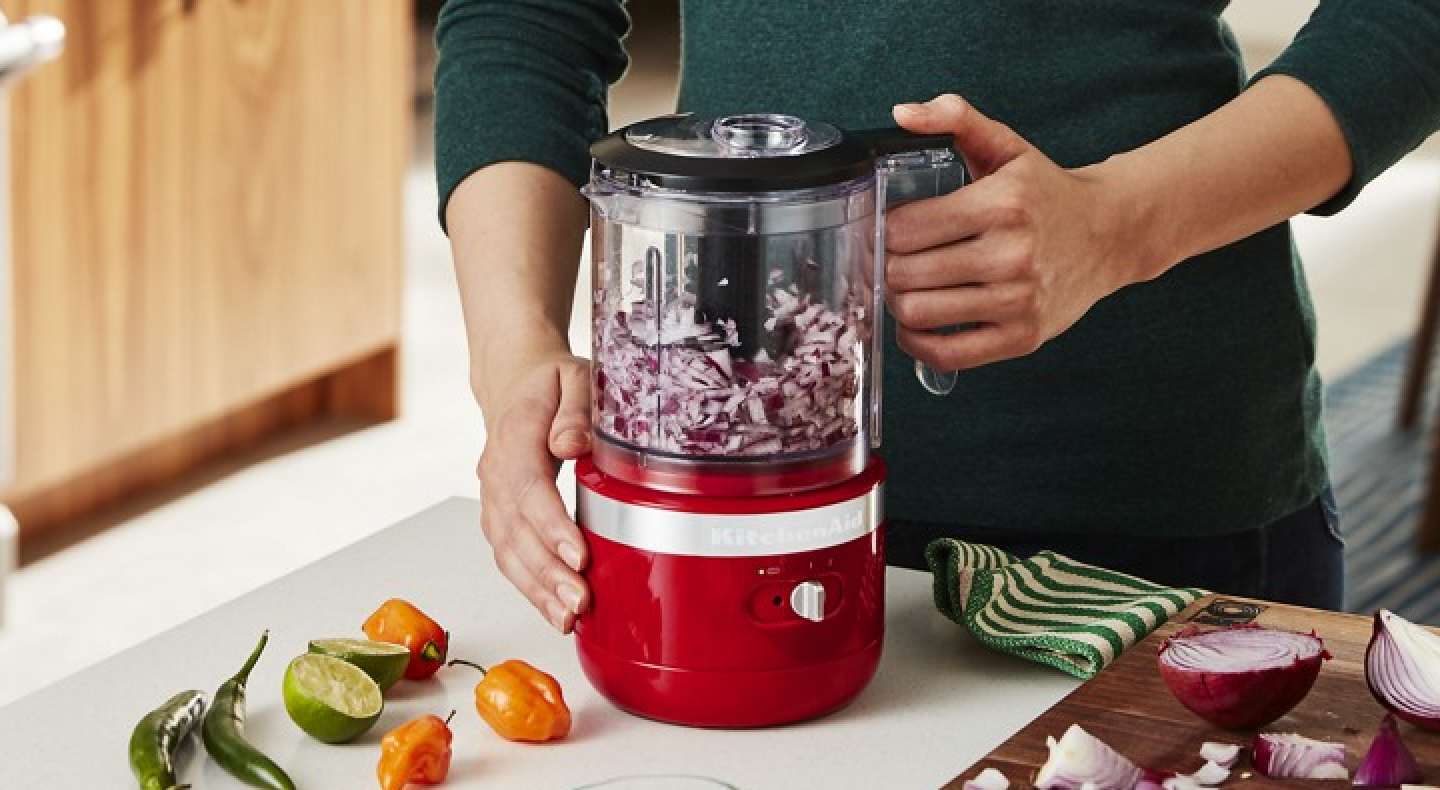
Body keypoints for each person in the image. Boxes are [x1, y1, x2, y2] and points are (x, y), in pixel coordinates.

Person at [434, 1, 1440, 630]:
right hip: (729, 487)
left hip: (1144, 501)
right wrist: (514, 346)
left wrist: (1119, 225)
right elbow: (527, 15)